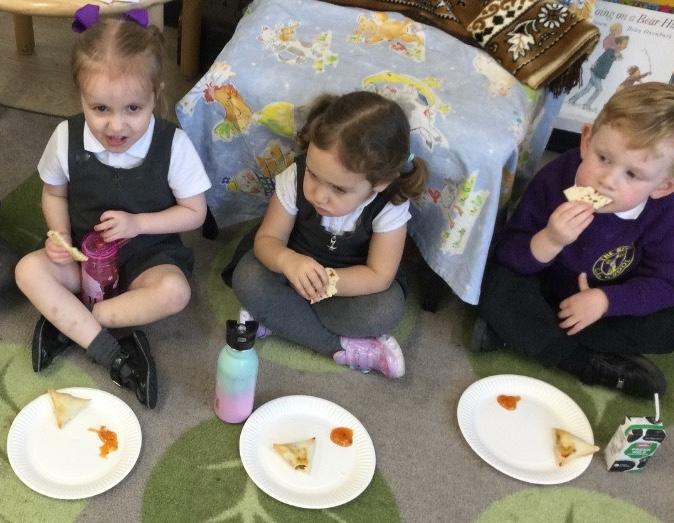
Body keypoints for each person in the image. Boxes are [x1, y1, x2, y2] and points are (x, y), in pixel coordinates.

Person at [13, 5, 211, 409]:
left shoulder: (173, 145)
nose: (116, 126)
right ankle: (108, 346)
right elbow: (54, 193)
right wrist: (59, 235)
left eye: (133, 109)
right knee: (27, 270)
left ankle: (82, 322)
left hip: (146, 258)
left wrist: (138, 224)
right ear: (81, 97)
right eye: (100, 108)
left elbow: (195, 212)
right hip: (80, 257)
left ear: (154, 95)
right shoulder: (65, 136)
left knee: (175, 292)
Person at [473, 82, 674, 398]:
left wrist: (606, 301)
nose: (606, 181)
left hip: (608, 303)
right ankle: (584, 362)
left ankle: (522, 336)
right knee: (494, 283)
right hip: (545, 286)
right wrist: (550, 240)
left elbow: (665, 283)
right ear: (586, 140)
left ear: (663, 187)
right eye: (603, 158)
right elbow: (510, 251)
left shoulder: (665, 214)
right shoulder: (555, 178)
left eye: (632, 175)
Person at [230, 91, 428, 379]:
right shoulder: (294, 177)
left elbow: (379, 276)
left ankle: (279, 318)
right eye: (313, 174)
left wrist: (326, 283)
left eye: (339, 189)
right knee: (248, 276)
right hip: (290, 273)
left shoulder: (390, 205)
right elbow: (267, 241)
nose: (318, 195)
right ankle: (338, 346)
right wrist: (288, 261)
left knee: (384, 310)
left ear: (380, 183)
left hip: (346, 287)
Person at [568, 35, 629, 111]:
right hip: (596, 72)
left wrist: (617, 55)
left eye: (626, 44)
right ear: (619, 44)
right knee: (599, 90)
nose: (626, 46)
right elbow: (609, 58)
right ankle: (586, 105)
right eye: (625, 43)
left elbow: (617, 58)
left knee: (587, 89)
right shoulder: (610, 51)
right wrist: (616, 55)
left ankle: (572, 100)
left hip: (598, 73)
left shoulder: (615, 53)